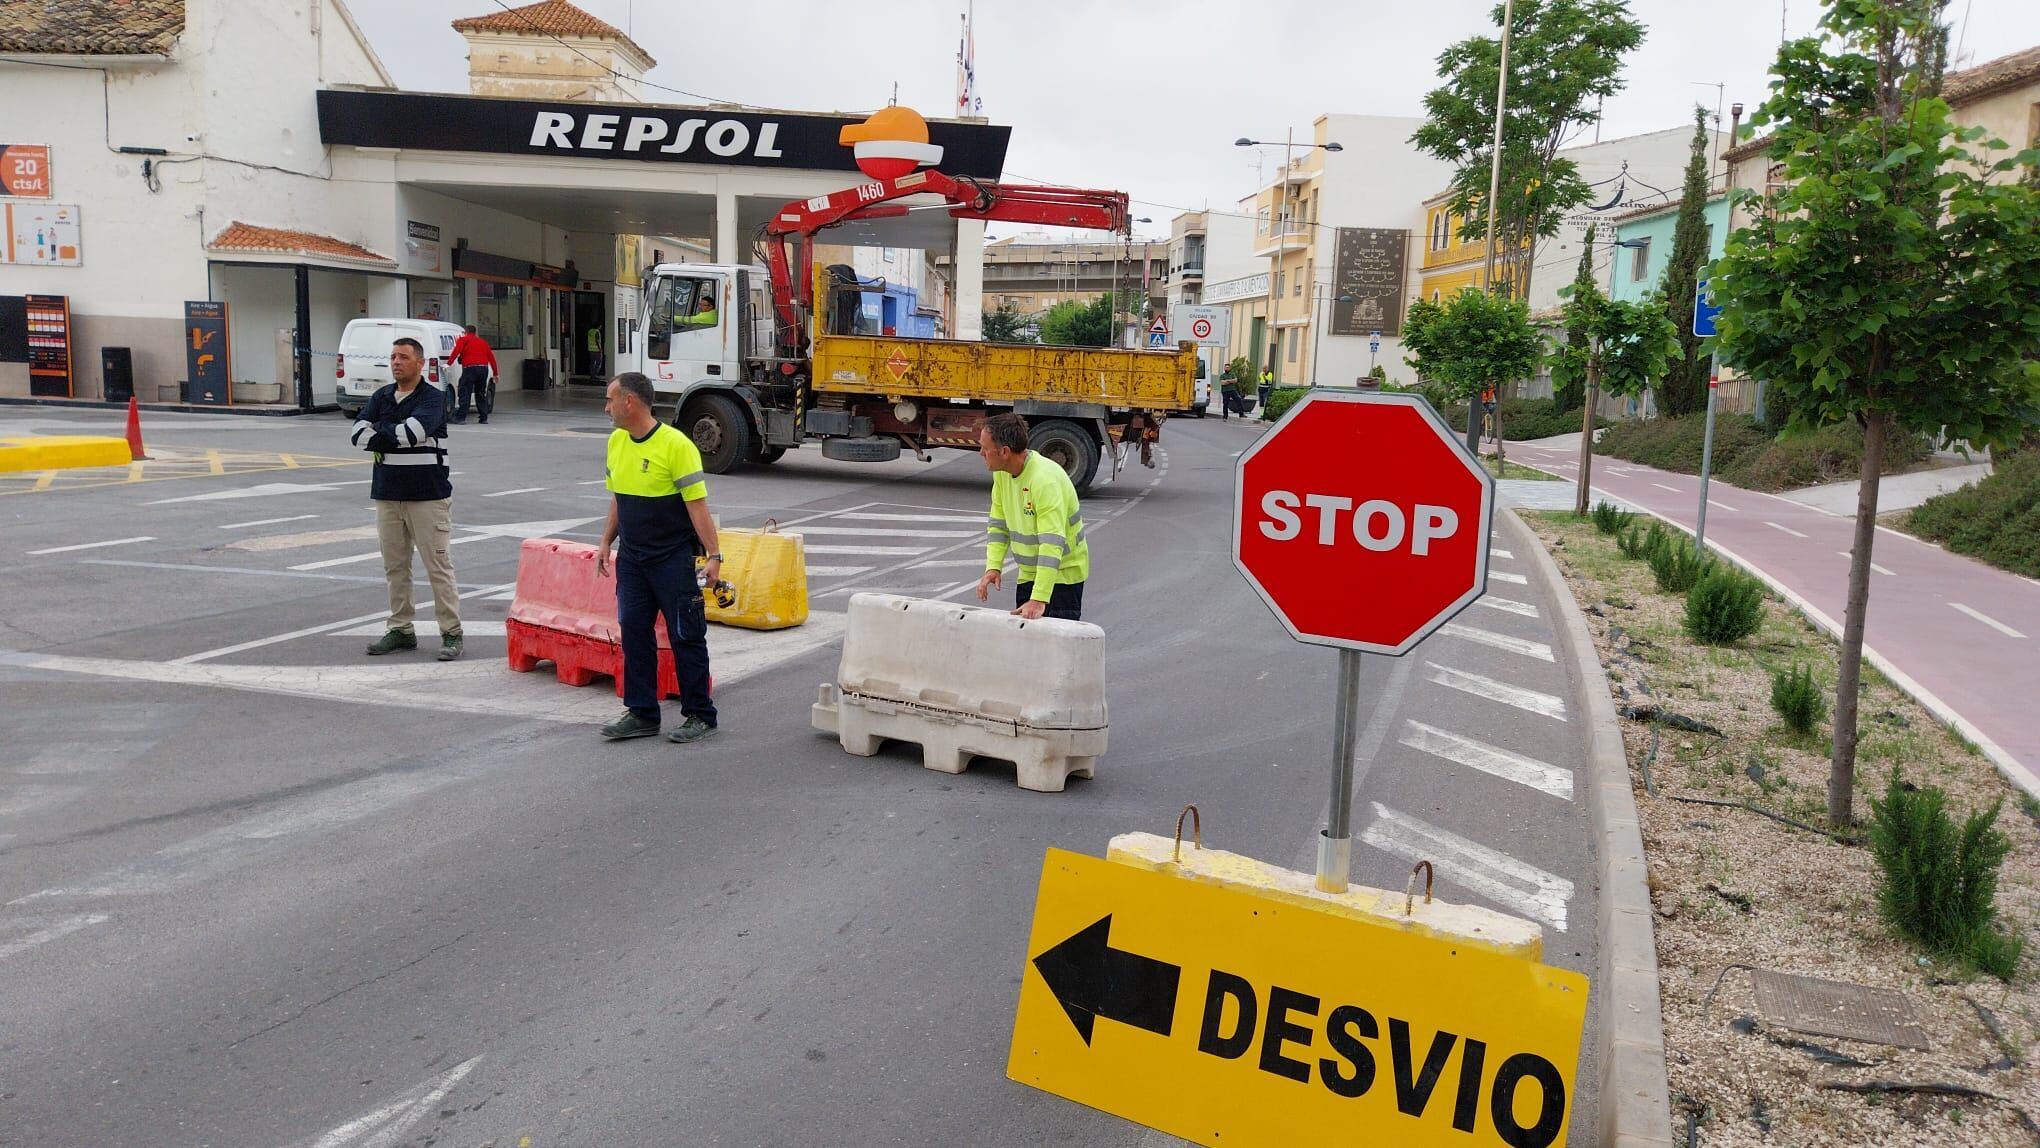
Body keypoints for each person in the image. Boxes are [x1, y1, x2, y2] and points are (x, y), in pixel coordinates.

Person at [594, 371, 721, 744]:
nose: (607, 407)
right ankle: (642, 712)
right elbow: (619, 497)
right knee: (634, 634)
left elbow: (697, 506)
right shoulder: (617, 442)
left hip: (672, 558)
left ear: (629, 402)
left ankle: (700, 714)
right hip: (632, 559)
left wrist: (715, 556)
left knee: (686, 635)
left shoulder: (676, 445)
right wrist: (605, 542)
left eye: (610, 399)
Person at [350, 337, 462, 661]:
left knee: (437, 566)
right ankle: (401, 629)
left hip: (428, 496)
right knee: (395, 567)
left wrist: (381, 432)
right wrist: (390, 432)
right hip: (387, 495)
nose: (396, 362)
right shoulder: (381, 395)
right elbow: (357, 434)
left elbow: (410, 433)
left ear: (419, 363)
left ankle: (451, 633)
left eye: (403, 357)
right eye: (393, 357)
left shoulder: (433, 399)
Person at [974, 412, 1089, 621]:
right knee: (1028, 647)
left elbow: (1051, 544)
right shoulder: (1002, 474)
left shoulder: (1045, 480)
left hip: (1062, 579)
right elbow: (998, 527)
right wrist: (993, 566)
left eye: (985, 448)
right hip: (1029, 574)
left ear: (1004, 451)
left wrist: (1039, 598)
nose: (981, 452)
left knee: (1056, 651)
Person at [448, 324, 498, 425]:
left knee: (465, 391)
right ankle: (483, 418)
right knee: (480, 393)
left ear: (465, 332)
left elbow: (456, 351)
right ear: (475, 332)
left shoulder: (463, 340)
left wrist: (448, 363)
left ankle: (461, 418)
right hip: (483, 368)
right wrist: (496, 373)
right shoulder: (483, 342)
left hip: (470, 368)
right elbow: (491, 358)